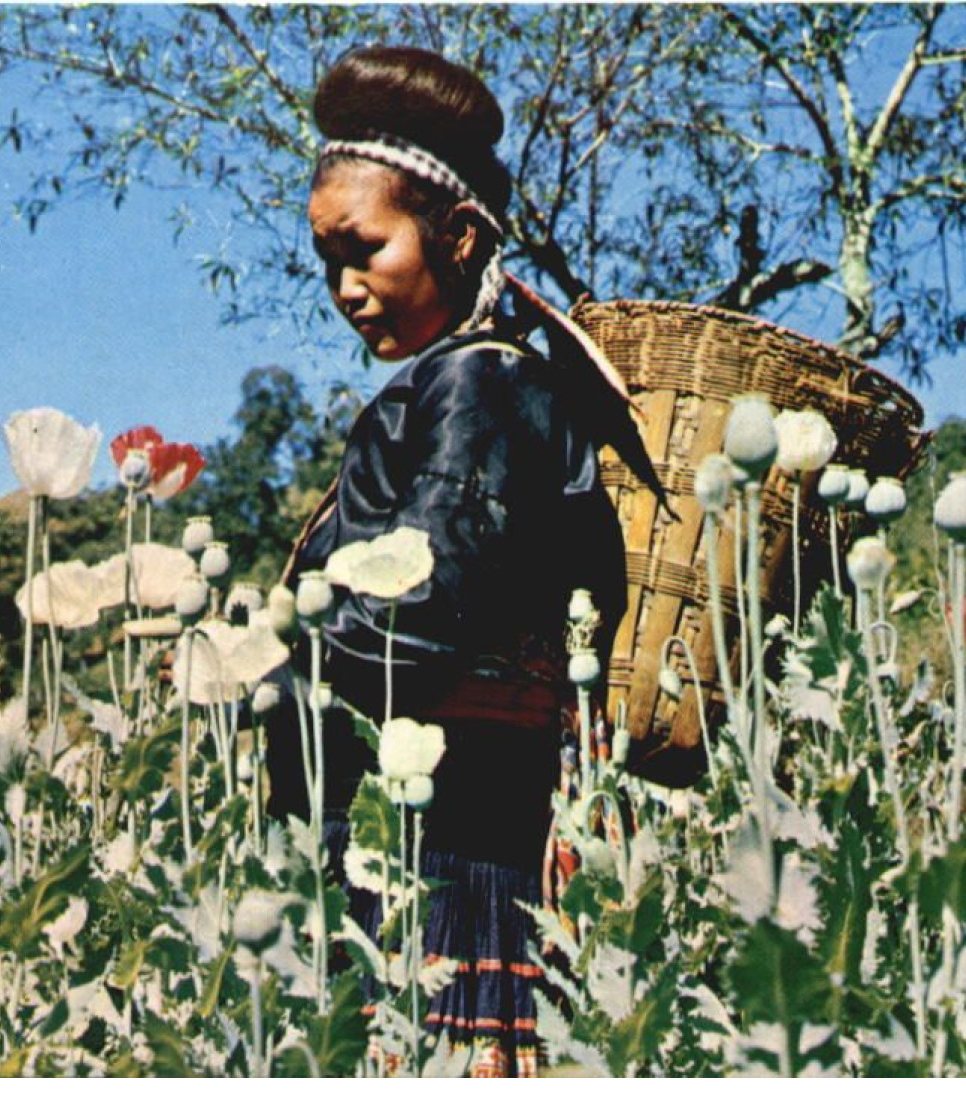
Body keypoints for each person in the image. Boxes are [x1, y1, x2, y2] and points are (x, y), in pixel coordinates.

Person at [263, 45, 654, 1078]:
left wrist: (274, 670)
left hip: (468, 827)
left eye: (365, 251)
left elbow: (429, 592)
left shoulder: (483, 386)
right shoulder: (470, 381)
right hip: (449, 810)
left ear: (459, 235)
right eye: (325, 262)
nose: (344, 288)